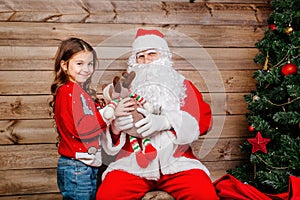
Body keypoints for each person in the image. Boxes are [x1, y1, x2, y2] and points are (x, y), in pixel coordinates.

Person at [96, 29, 219, 199]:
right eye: (140, 56)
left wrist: (166, 122)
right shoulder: (126, 90)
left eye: (151, 54)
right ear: (134, 62)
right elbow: (108, 126)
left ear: (163, 56)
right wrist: (116, 128)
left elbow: (204, 120)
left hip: (177, 162)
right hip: (132, 163)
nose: (146, 61)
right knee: (107, 195)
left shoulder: (182, 85)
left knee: (203, 194)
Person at [50, 38, 124, 199]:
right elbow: (82, 128)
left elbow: (95, 122)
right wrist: (111, 110)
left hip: (86, 165)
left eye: (90, 64)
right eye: (79, 63)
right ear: (64, 65)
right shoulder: (67, 91)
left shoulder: (80, 92)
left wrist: (110, 106)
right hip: (76, 167)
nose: (86, 69)